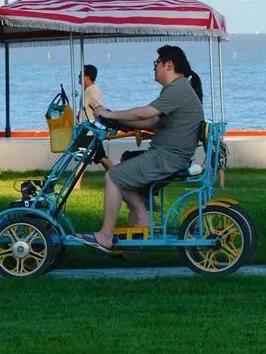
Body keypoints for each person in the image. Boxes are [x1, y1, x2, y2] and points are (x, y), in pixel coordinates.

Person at [75, 45, 204, 251]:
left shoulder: (178, 89)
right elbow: (151, 121)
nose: (154, 68)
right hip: (167, 155)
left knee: (113, 176)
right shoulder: (177, 89)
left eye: (157, 63)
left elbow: (146, 113)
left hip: (167, 158)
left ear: (168, 65)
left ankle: (106, 235)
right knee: (123, 168)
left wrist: (110, 114)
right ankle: (142, 219)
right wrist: (119, 120)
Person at [78, 64, 113, 172]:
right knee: (96, 156)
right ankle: (117, 176)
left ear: (87, 77)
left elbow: (99, 109)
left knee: (85, 156)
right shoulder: (87, 90)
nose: (78, 77)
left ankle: (118, 176)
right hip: (87, 130)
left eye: (80, 74)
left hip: (91, 131)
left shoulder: (93, 91)